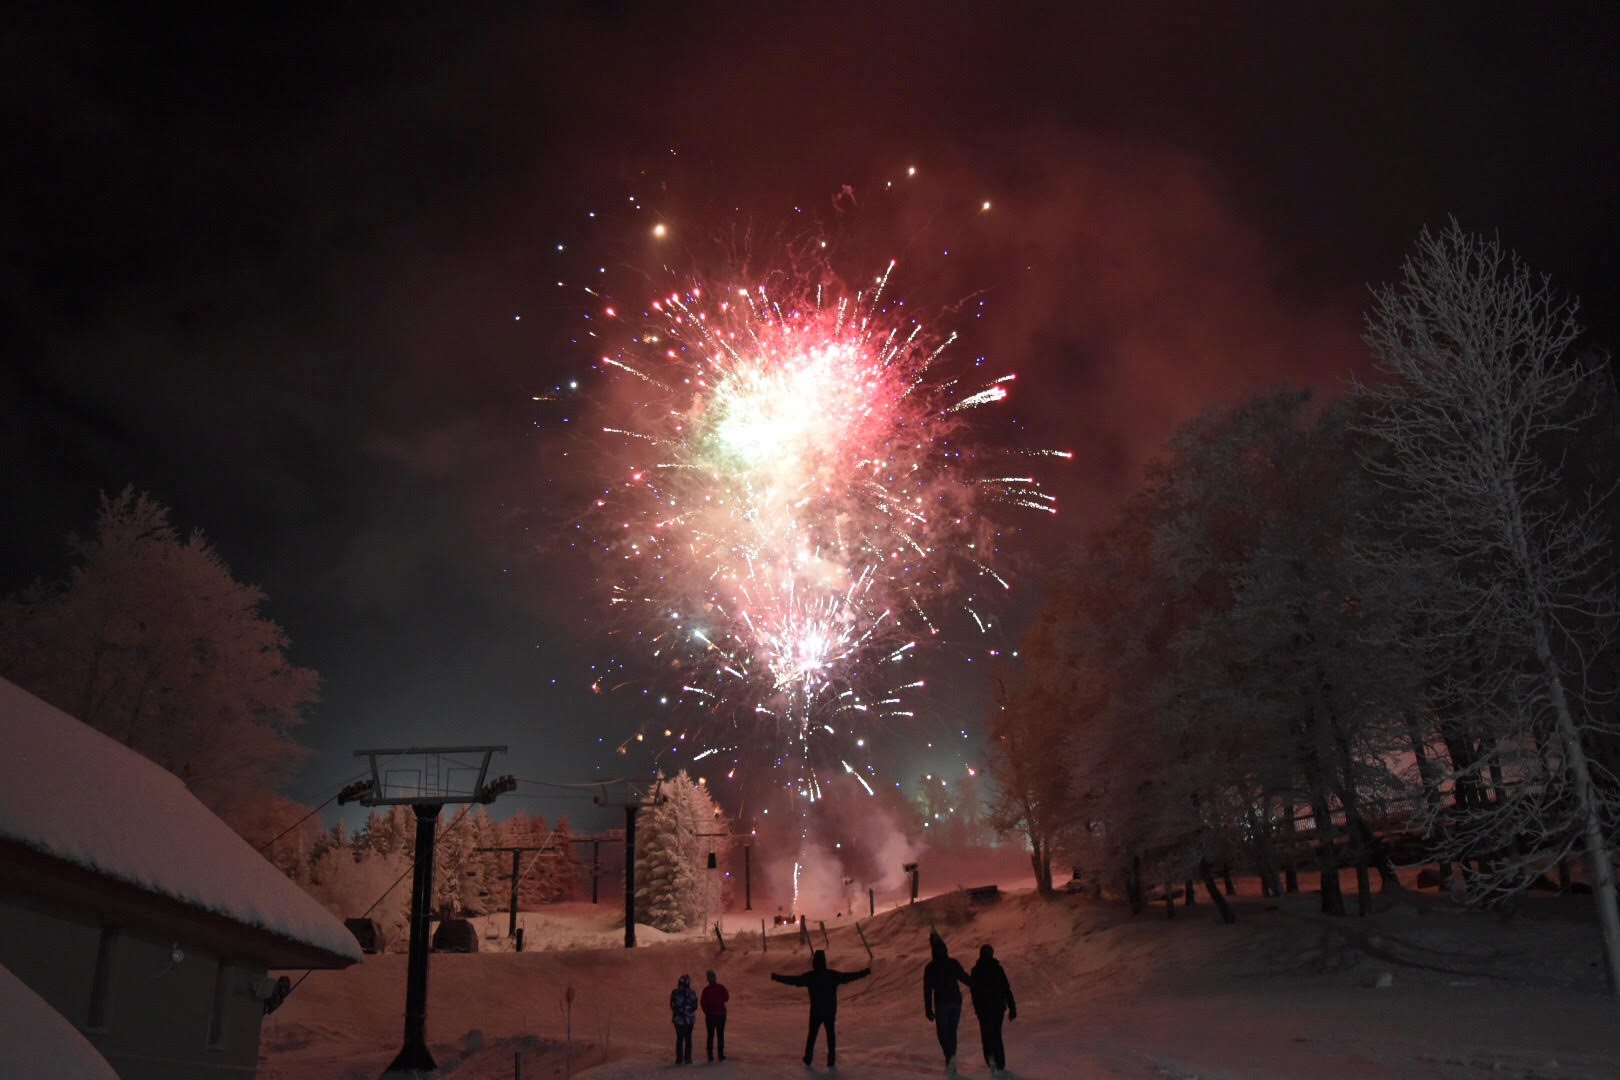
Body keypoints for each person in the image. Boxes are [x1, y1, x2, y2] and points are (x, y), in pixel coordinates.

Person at [770, 949, 871, 1068]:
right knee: (830, 1035)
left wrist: (777, 977)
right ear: (824, 961)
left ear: (814, 962)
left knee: (812, 1035)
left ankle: (808, 1058)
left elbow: (793, 980)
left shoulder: (810, 977)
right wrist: (864, 972)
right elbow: (848, 977)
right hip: (829, 1011)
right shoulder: (832, 975)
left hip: (816, 1011)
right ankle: (831, 1059)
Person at [922, 933, 973, 1073]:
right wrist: (980, 984)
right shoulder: (952, 963)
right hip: (955, 1002)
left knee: (943, 1033)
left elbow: (927, 990)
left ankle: (950, 1057)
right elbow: (965, 978)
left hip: (942, 1003)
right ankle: (951, 1059)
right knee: (952, 1032)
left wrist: (928, 1008)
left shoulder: (930, 967)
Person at [969, 943, 1017, 1073]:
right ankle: (1000, 1063)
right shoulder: (997, 969)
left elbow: (974, 992)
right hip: (997, 1008)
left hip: (984, 1009)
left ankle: (991, 1059)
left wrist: (977, 1007)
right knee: (996, 1034)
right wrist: (1012, 1007)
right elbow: (1006, 989)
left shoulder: (976, 970)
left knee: (986, 1034)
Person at [700, 969, 729, 1062]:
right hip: (720, 1015)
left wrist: (707, 1012)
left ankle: (710, 1055)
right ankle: (720, 1054)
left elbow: (703, 1003)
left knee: (710, 1035)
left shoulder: (706, 990)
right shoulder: (720, 987)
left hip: (710, 1016)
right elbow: (726, 998)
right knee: (720, 1035)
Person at [669, 973, 698, 1065]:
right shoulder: (692, 993)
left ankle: (679, 1059)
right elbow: (695, 1006)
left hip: (678, 1020)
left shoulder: (675, 992)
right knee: (688, 1039)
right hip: (689, 1020)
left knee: (679, 1039)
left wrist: (678, 1012)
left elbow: (672, 1005)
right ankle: (688, 1059)